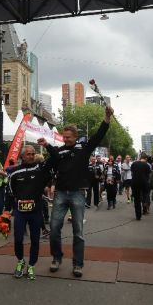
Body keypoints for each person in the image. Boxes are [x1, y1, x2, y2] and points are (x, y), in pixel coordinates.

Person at [43, 106, 113, 277]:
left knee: (78, 231)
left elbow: (98, 136)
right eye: (64, 137)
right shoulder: (59, 151)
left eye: (68, 137)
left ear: (75, 137)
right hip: (60, 193)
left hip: (78, 193)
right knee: (54, 228)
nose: (65, 139)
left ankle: (78, 264)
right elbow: (47, 168)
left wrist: (106, 118)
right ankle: (56, 258)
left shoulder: (84, 148)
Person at [7, 145, 52, 280]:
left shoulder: (40, 169)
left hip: (35, 211)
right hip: (20, 211)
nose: (31, 156)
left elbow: (54, 158)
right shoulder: (14, 172)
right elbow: (9, 193)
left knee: (35, 240)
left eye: (33, 154)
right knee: (18, 238)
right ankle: (20, 261)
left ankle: (31, 265)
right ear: (22, 156)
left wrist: (47, 145)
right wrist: (6, 211)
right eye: (28, 154)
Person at [130, 154, 152, 219]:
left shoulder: (134, 164)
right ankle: (145, 207)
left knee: (137, 199)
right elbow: (149, 175)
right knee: (145, 196)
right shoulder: (147, 165)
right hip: (144, 183)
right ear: (146, 159)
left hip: (135, 183)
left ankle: (138, 216)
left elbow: (132, 173)